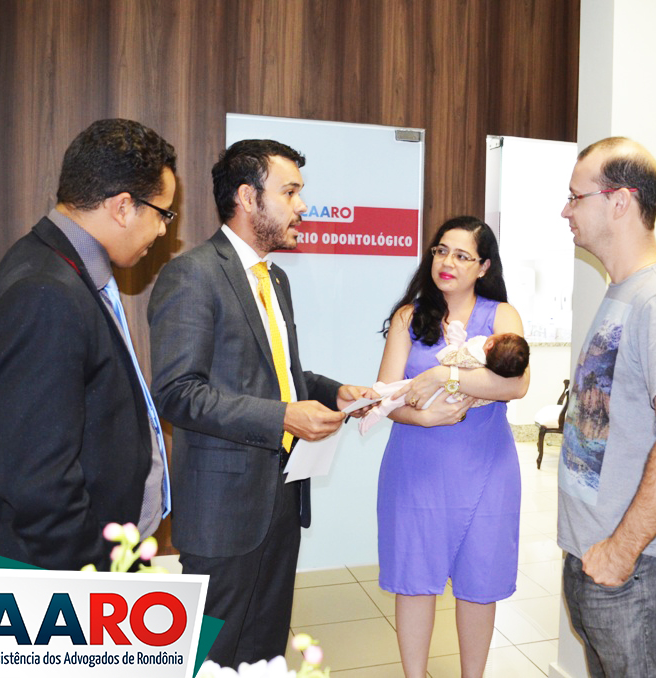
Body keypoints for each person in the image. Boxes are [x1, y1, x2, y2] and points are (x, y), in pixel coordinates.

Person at [147, 139, 377, 668]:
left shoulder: (275, 278)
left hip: (282, 499)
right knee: (211, 658)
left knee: (264, 654)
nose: (302, 206)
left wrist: (332, 390)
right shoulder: (193, 273)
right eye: (290, 192)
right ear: (248, 198)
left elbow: (279, 376)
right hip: (223, 511)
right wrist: (285, 417)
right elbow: (178, 393)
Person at [0, 118, 177, 571]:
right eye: (163, 214)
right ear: (123, 207)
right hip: (67, 575)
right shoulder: (45, 293)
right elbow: (40, 487)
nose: (164, 231)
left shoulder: (61, 268)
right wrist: (91, 579)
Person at [558, 137, 656, 677]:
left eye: (575, 197)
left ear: (619, 201)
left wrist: (621, 551)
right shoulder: (622, 291)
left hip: (634, 568)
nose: (566, 211)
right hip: (597, 557)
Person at [375, 216, 529, 678]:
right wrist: (424, 415)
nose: (448, 262)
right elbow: (385, 397)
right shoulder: (409, 317)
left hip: (486, 468)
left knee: (479, 581)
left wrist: (444, 375)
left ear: (483, 267)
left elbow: (516, 385)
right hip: (415, 467)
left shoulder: (502, 315)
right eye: (441, 251)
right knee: (414, 580)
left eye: (463, 256)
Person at [359, 321, 529, 434]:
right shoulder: (492, 369)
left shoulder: (474, 357)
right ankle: (380, 400)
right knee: (402, 392)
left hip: (440, 396)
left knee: (403, 389)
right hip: (446, 403)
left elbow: (447, 358)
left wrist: (444, 371)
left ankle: (380, 402)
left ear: (490, 344)